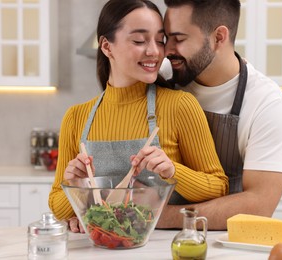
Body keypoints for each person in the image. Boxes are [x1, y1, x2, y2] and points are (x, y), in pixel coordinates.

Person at [48, 0, 228, 233]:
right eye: (139, 41)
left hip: (164, 247)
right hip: (104, 246)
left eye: (159, 40)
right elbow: (57, 207)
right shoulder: (76, 118)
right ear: (106, 46)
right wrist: (73, 185)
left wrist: (173, 171)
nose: (154, 51)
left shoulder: (180, 106)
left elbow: (219, 186)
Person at [157, 0, 282, 230]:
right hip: (150, 242)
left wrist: (158, 217)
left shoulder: (267, 102)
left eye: (179, 39)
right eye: (165, 39)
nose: (167, 51)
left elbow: (259, 205)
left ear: (219, 37)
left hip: (226, 243)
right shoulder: (162, 77)